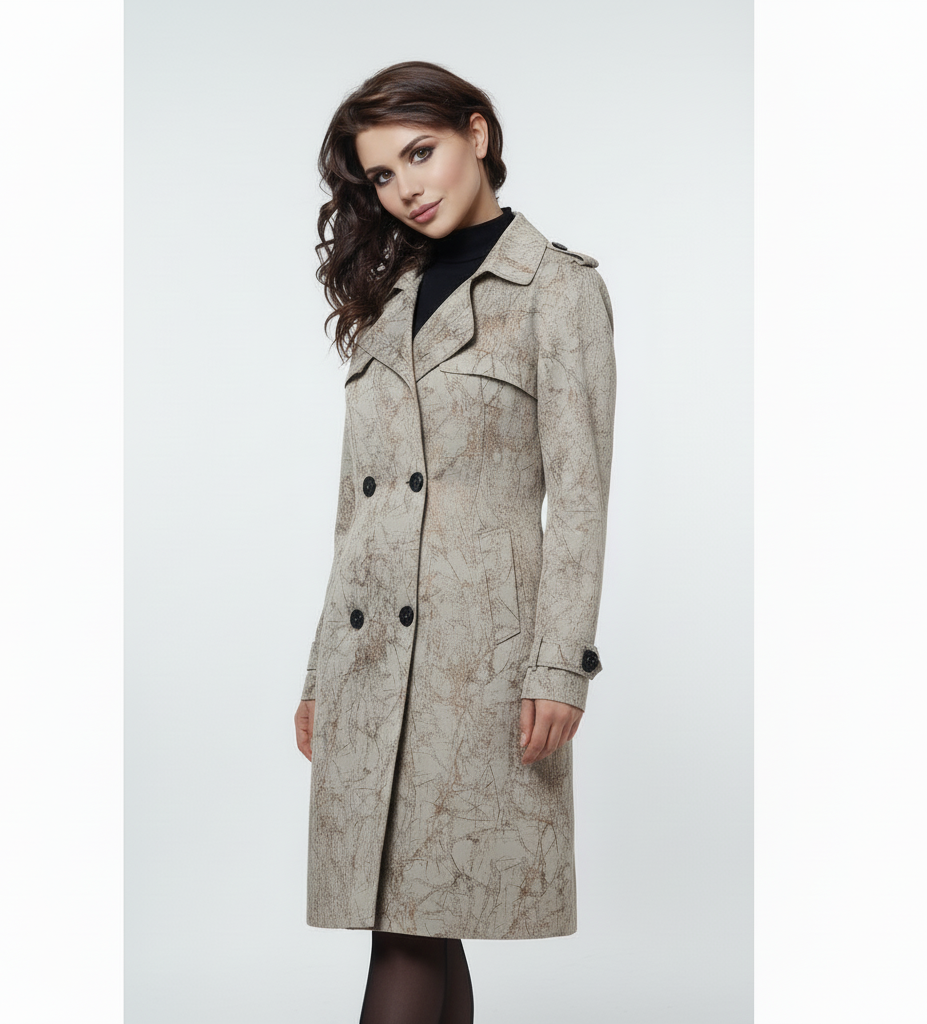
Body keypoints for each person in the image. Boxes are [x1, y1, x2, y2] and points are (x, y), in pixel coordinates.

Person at [293, 60, 616, 1024]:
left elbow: (582, 497)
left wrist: (559, 666)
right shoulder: (387, 299)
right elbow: (355, 514)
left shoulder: (556, 289)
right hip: (368, 660)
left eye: (420, 152)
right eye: (382, 175)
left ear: (477, 133)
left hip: (477, 662)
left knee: (413, 924)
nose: (407, 187)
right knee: (419, 921)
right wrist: (319, 672)